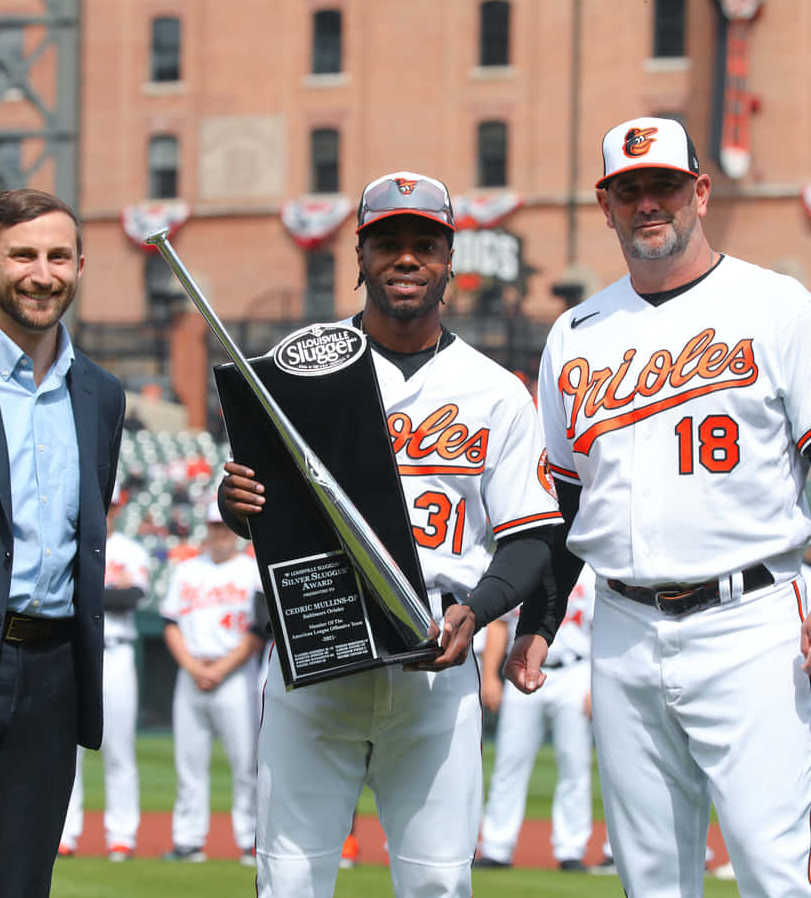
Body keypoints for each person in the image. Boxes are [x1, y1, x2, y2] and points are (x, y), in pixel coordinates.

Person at [221, 171, 563, 898]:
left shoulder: (495, 389)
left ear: (449, 260)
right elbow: (265, 509)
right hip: (317, 654)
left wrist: (480, 607)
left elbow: (531, 537)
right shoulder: (298, 370)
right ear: (360, 257)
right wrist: (236, 501)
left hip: (435, 658)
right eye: (387, 243)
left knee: (439, 885)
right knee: (287, 881)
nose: (406, 258)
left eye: (424, 244)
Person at [504, 116, 811, 896]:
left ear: (701, 193)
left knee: (776, 869)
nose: (651, 204)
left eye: (666, 188)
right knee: (650, 879)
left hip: (752, 621)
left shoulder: (778, 305)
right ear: (606, 205)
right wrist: (541, 624)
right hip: (622, 628)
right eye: (631, 190)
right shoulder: (575, 335)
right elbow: (566, 503)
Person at [0, 189, 125, 896]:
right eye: (24, 255)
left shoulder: (102, 395)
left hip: (51, 682)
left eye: (59, 256)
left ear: (78, 265)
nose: (43, 273)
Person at [158, 503, 266, 865]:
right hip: (191, 674)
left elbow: (258, 630)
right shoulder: (187, 570)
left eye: (225, 526)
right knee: (189, 763)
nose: (220, 532)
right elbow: (170, 623)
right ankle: (188, 840)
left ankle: (249, 839)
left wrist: (220, 669)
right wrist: (193, 667)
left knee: (245, 764)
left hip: (235, 675)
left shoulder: (251, 571)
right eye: (214, 525)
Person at [476, 565, 595, 872]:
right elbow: (499, 625)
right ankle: (496, 847)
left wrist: (597, 683)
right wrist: (489, 676)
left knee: (575, 763)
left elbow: (604, 628)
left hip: (576, 671)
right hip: (521, 667)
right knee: (509, 761)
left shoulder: (590, 570)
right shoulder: (525, 561)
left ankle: (571, 849)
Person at [59, 483, 149, 860]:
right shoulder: (73, 542)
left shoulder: (130, 550)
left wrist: (92, 591)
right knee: (67, 750)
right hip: (77, 652)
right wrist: (108, 590)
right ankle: (65, 832)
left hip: (117, 653)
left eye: (111, 505)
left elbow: (132, 597)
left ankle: (122, 834)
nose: (106, 510)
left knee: (119, 750)